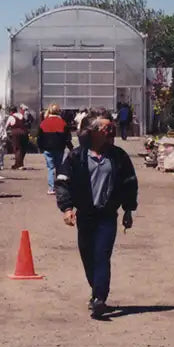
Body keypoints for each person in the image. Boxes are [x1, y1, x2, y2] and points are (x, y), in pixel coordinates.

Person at [55, 114, 139, 319]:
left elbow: (129, 184)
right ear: (92, 132)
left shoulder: (119, 156)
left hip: (107, 215)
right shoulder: (77, 156)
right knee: (88, 256)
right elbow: (63, 183)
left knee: (102, 254)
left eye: (112, 127)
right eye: (105, 128)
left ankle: (99, 298)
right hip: (85, 215)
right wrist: (67, 209)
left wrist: (128, 210)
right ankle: (96, 290)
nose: (111, 131)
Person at [38, 104, 71, 195]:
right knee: (59, 167)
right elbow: (67, 138)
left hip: (47, 149)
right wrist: (71, 148)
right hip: (59, 148)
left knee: (50, 168)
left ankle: (51, 188)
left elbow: (40, 137)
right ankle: (60, 187)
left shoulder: (44, 123)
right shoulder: (63, 123)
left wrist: (40, 147)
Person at [7, 105, 28, 169]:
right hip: (24, 132)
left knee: (17, 148)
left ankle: (19, 165)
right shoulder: (21, 115)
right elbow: (26, 122)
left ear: (11, 111)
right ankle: (19, 163)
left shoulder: (11, 117)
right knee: (23, 148)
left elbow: (6, 126)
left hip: (16, 133)